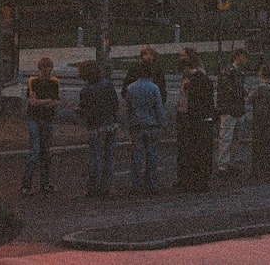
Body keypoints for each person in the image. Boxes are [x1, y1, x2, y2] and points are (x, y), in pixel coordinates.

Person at [174, 47, 216, 192]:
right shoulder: (196, 79)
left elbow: (199, 102)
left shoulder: (197, 80)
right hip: (194, 118)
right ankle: (193, 180)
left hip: (196, 119)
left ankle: (196, 181)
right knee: (193, 151)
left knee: (196, 152)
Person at [77, 60, 120, 198]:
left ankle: (92, 187)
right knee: (109, 157)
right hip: (110, 124)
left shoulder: (86, 91)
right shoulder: (107, 85)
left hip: (95, 127)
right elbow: (115, 104)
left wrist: (77, 110)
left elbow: (85, 112)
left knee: (95, 158)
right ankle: (105, 187)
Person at [125, 62, 168, 195]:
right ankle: (152, 183)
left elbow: (128, 108)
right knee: (152, 155)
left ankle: (136, 184)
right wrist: (163, 123)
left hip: (137, 125)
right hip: (152, 124)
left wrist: (129, 123)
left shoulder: (131, 88)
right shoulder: (154, 88)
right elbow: (159, 107)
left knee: (137, 156)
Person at [22, 56, 61, 195]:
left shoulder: (54, 82)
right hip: (35, 118)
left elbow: (56, 102)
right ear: (40, 70)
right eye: (45, 71)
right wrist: (48, 101)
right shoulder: (33, 81)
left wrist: (42, 101)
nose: (47, 74)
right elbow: (33, 102)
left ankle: (44, 183)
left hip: (46, 119)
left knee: (45, 152)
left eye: (49, 71)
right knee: (35, 152)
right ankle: (26, 185)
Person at [215, 47, 249, 175]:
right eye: (244, 57)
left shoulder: (239, 73)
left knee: (235, 139)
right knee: (226, 138)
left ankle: (229, 163)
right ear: (237, 57)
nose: (246, 60)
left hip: (238, 109)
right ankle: (222, 165)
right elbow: (227, 90)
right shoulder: (228, 72)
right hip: (229, 109)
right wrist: (243, 92)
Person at [248, 63, 270, 181]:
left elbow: (250, 99)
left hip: (260, 119)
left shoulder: (261, 87)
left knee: (257, 145)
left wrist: (248, 93)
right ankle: (268, 169)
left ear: (261, 73)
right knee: (266, 145)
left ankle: (257, 171)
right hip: (268, 119)